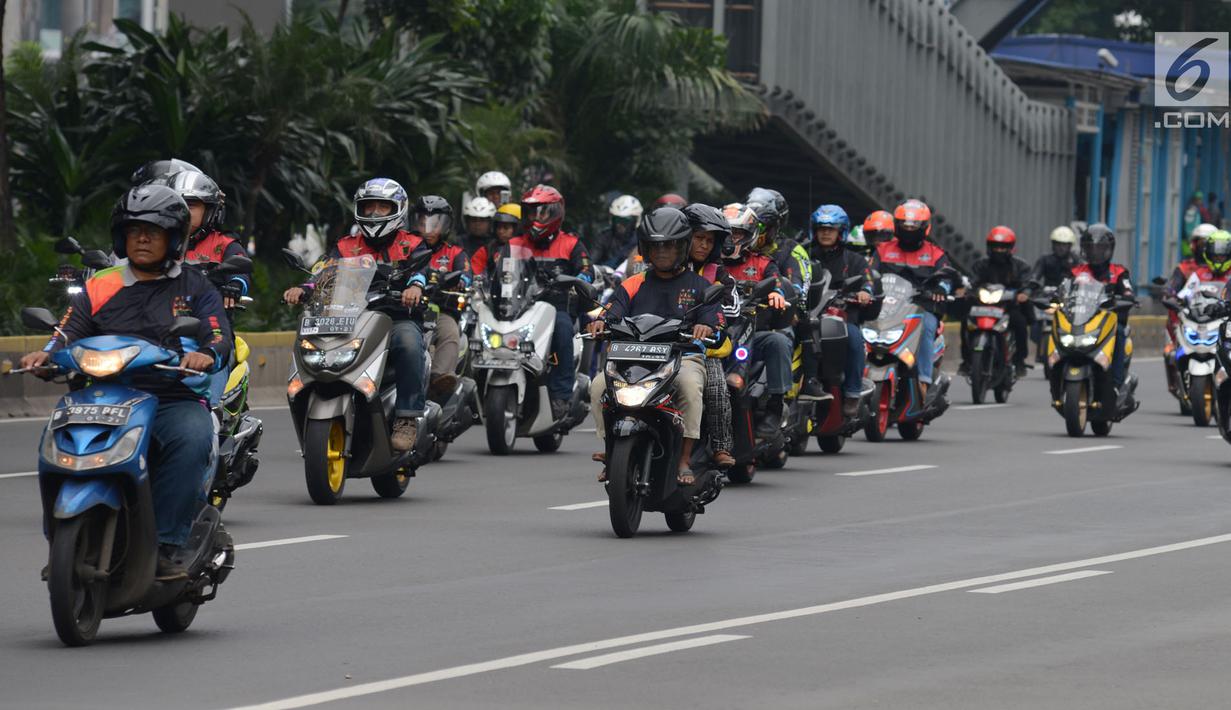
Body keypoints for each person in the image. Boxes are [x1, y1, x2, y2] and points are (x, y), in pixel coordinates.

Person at [21, 184, 231, 581]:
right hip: (101, 394)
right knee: (53, 441)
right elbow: (68, 330)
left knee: (193, 437)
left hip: (171, 394)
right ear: (122, 236)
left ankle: (168, 545)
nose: (143, 238)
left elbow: (219, 336)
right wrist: (46, 355)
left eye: (154, 230)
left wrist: (207, 354)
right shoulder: (101, 284)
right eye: (134, 230)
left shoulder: (195, 286)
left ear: (175, 238)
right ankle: (61, 542)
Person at [282, 178, 429, 451]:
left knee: (409, 343)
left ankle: (407, 418)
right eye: (368, 206)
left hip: (395, 317)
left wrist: (415, 286)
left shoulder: (411, 244)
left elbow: (421, 271)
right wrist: (303, 289)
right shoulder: (346, 245)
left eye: (382, 207)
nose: (374, 213)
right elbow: (322, 272)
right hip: (350, 318)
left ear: (398, 209)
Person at [587, 207, 720, 485]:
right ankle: (611, 449)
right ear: (646, 249)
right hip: (633, 359)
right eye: (656, 246)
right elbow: (612, 311)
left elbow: (711, 317)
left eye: (669, 246)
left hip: (682, 358)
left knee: (690, 387)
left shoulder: (699, 285)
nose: (662, 252)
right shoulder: (634, 283)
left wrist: (705, 326)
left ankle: (684, 459)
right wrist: (600, 323)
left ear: (682, 247)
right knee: (599, 386)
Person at [498, 184, 593, 421]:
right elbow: (499, 275)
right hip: (518, 308)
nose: (535, 217)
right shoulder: (514, 244)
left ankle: (561, 396)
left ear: (555, 212)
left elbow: (586, 271)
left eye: (541, 212)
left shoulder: (571, 244)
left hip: (556, 308)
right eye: (531, 212)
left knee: (562, 330)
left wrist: (578, 279)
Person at [870, 199, 955, 397]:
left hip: (921, 308)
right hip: (886, 308)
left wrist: (941, 289)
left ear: (925, 228)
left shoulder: (935, 254)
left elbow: (947, 277)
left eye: (913, 226)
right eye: (904, 225)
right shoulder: (883, 250)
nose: (908, 229)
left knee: (925, 327)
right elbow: (870, 273)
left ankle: (923, 380)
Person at [721, 202, 792, 436]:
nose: (732, 238)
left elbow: (777, 283)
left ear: (750, 235)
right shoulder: (709, 263)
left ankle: (775, 406)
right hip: (711, 332)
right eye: (727, 232)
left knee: (778, 342)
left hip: (750, 332)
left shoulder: (762, 263)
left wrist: (776, 294)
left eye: (738, 233)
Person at [800, 205, 875, 416]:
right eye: (822, 228)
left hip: (841, 317)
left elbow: (868, 281)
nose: (825, 232)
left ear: (841, 231)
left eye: (831, 229)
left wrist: (865, 292)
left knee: (854, 339)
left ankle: (852, 392)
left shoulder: (854, 259)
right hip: (809, 313)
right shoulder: (804, 254)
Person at [683, 203, 736, 469]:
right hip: (661, 345)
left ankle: (721, 446)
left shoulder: (720, 274)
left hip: (705, 349)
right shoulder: (665, 266)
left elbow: (730, 308)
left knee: (716, 386)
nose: (703, 245)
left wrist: (709, 325)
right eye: (698, 238)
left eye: (708, 241)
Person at [410, 196, 471, 401]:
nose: (428, 228)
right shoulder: (406, 246)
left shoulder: (455, 252)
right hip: (407, 307)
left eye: (434, 223)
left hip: (440, 308)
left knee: (450, 332)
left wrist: (460, 281)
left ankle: (440, 377)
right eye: (422, 222)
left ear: (445, 225)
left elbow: (466, 275)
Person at [959, 226, 1032, 378]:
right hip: (983, 306)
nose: (999, 250)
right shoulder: (981, 264)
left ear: (1011, 248)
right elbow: (972, 280)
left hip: (1008, 306)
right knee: (966, 322)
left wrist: (1024, 293)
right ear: (989, 247)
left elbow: (1027, 282)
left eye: (1003, 247)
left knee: (1019, 323)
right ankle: (966, 361)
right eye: (995, 246)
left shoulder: (1020, 266)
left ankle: (1019, 361)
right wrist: (966, 290)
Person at [1071, 223, 1135, 388]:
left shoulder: (1119, 272)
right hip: (1081, 320)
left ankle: (1116, 381)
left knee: (1119, 333)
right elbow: (1063, 288)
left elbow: (1128, 292)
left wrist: (1126, 298)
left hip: (1110, 322)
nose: (1095, 252)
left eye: (1100, 248)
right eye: (1091, 248)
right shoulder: (1076, 271)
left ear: (1109, 249)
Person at [471, 202, 521, 277]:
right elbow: (474, 274)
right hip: (493, 288)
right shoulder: (486, 250)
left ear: (517, 228)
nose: (501, 231)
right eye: (498, 227)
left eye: (506, 228)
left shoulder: (527, 250)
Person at [593, 194, 643, 268]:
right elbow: (591, 261)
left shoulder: (642, 241)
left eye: (625, 221)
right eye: (616, 219)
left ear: (635, 221)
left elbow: (645, 261)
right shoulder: (604, 238)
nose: (619, 224)